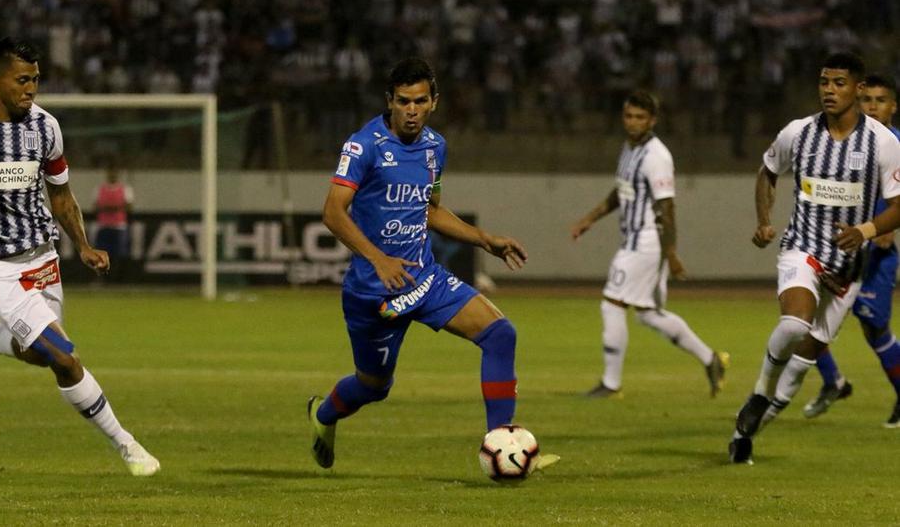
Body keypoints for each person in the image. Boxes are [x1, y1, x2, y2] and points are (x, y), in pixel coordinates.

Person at [0, 37, 159, 476]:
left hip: (42, 258)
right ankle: (128, 446)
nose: (31, 89)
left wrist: (83, 244)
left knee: (35, 353)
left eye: (36, 80)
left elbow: (61, 194)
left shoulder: (45, 127)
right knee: (64, 356)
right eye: (22, 80)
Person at [306, 57, 558, 471]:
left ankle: (501, 444)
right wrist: (379, 259)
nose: (411, 110)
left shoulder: (434, 147)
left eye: (420, 101)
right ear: (389, 101)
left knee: (499, 334)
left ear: (434, 102)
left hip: (424, 279)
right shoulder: (363, 145)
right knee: (373, 386)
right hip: (375, 292)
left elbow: (430, 209)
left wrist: (483, 239)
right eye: (403, 101)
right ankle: (323, 415)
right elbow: (333, 212)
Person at [729, 53, 900, 464]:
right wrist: (765, 220)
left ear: (858, 89)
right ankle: (757, 392)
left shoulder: (882, 142)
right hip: (802, 249)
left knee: (802, 368)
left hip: (849, 269)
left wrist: (865, 230)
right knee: (792, 324)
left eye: (839, 83)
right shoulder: (798, 133)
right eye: (824, 81)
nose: (829, 89)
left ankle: (744, 435)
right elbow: (768, 170)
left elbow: (898, 204)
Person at [570, 90, 729, 399]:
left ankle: (611, 383)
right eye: (629, 116)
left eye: (640, 117)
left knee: (611, 303)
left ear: (652, 120)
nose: (633, 123)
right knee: (648, 314)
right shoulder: (629, 149)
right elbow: (622, 191)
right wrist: (590, 218)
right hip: (635, 239)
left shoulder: (657, 156)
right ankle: (711, 359)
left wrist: (671, 253)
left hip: (646, 241)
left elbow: (666, 208)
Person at [800, 73, 900, 428]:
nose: (872, 106)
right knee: (805, 314)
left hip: (875, 255)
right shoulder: (854, 141)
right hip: (839, 251)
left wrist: (878, 232)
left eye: (880, 100)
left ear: (893, 106)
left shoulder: (894, 145)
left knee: (875, 328)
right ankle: (833, 382)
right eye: (867, 100)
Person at [93, 160, 133, 282]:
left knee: (119, 255)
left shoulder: (125, 189)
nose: (112, 174)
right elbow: (95, 206)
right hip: (104, 226)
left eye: (114, 172)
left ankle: (118, 280)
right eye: (110, 172)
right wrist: (116, 207)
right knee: (101, 255)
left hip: (119, 226)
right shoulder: (99, 189)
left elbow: (130, 207)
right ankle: (102, 280)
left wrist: (108, 208)